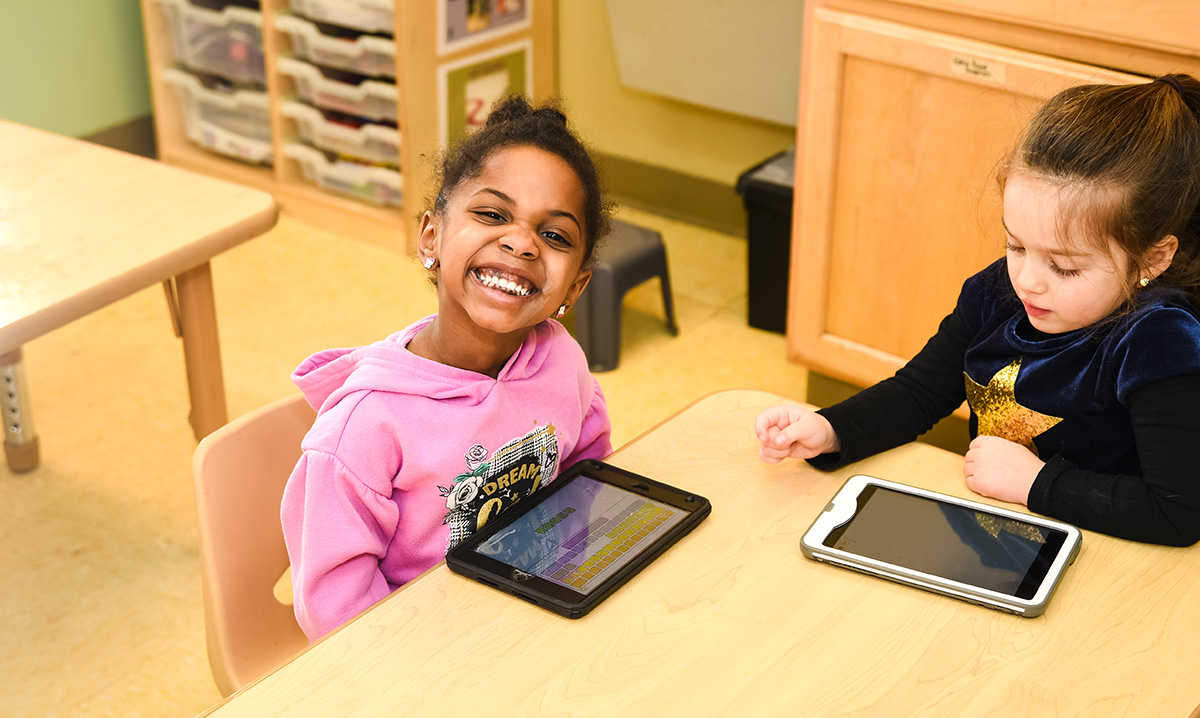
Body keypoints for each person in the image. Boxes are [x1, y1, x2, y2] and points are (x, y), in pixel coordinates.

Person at [757, 74, 1200, 547]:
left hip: (1109, 554)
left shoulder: (1162, 340)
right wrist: (832, 429)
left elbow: (1176, 512)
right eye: (1016, 245)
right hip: (1002, 536)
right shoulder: (997, 291)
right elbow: (919, 392)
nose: (1027, 280)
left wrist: (1035, 483)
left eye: (1064, 267)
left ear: (1153, 258)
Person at [281, 95, 615, 640]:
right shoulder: (365, 427)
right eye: (492, 214)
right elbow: (337, 611)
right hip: (422, 650)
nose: (521, 242)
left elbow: (587, 474)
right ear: (431, 237)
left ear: (574, 288)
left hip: (537, 618)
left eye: (554, 236)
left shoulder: (562, 360)